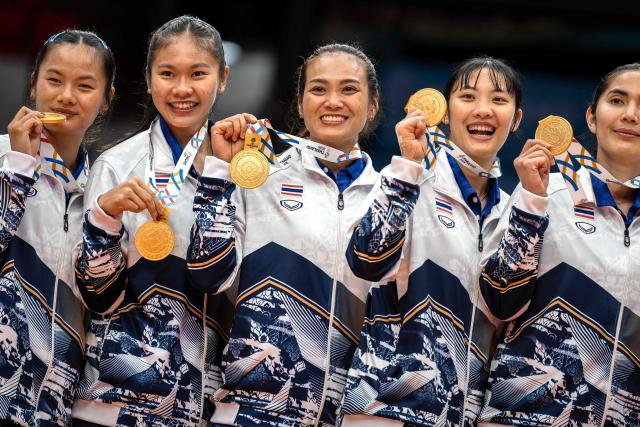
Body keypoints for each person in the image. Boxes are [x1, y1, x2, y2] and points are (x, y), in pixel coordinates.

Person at [186, 43, 381, 426]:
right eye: (319, 89)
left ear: (372, 104)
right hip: (251, 413)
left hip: (345, 416)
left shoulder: (390, 199)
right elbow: (208, 274)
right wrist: (219, 174)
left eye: (349, 89)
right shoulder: (260, 177)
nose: (333, 101)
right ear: (301, 100)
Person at [339, 57, 523, 426]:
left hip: (459, 416)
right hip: (384, 408)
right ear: (445, 109)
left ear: (517, 118)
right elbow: (366, 258)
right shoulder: (408, 181)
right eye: (468, 96)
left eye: (499, 100)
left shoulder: (512, 212)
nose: (483, 110)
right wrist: (408, 167)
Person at [73, 16, 235, 426]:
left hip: (206, 407)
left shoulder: (244, 170)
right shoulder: (117, 166)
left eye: (198, 73)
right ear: (148, 79)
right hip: (114, 405)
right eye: (167, 73)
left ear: (223, 78)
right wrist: (104, 219)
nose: (182, 89)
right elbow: (97, 297)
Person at [477, 64, 640, 426]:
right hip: (523, 418)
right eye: (617, 100)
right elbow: (499, 301)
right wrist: (531, 207)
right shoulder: (544, 190)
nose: (631, 115)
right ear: (592, 118)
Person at [0, 29, 115, 425]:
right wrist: (16, 169)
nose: (67, 96)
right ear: (33, 84)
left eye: (85, 86)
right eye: (54, 80)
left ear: (105, 101)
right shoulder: (3, 159)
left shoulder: (103, 194)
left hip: (53, 409)